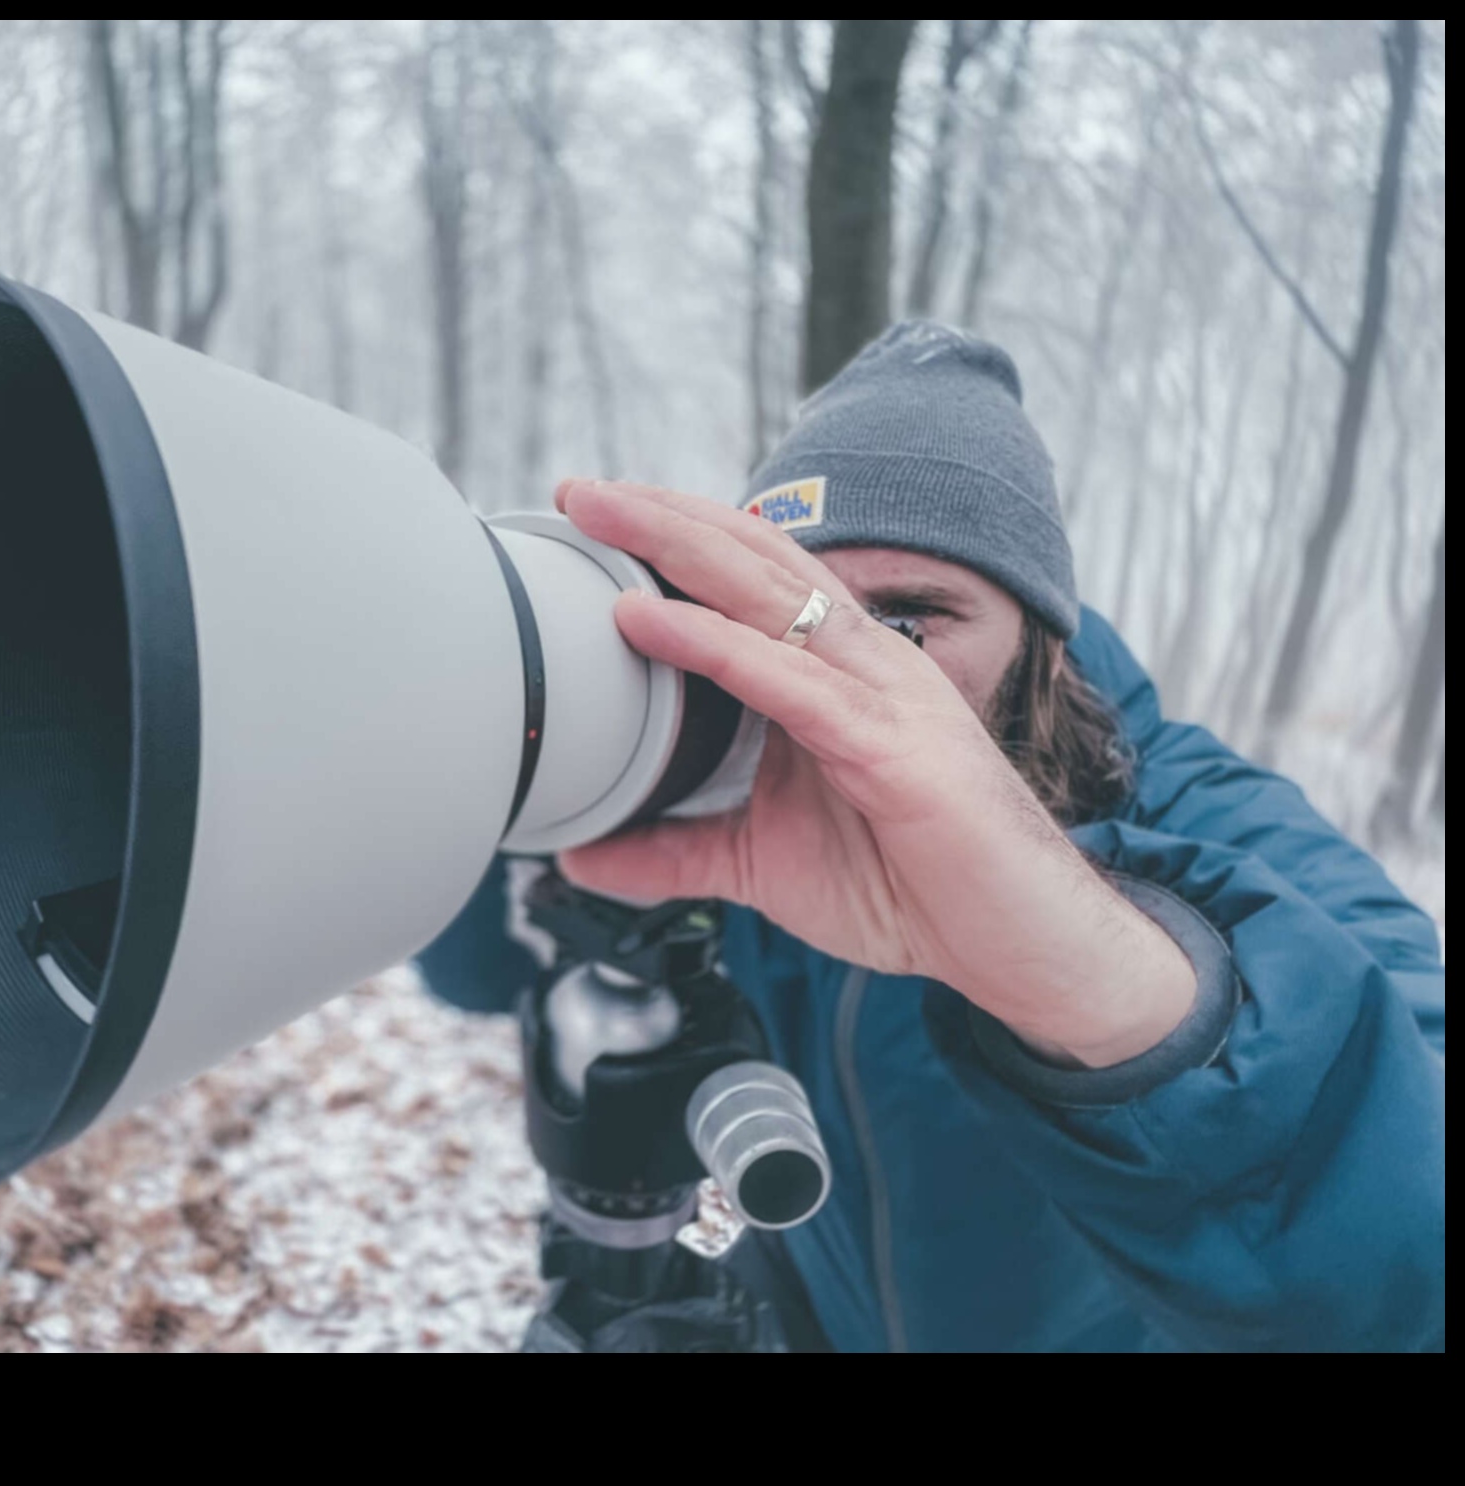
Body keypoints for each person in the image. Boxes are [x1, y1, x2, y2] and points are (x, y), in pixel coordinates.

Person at [416, 322, 1445, 1352]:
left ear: (1044, 642)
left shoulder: (1207, 815)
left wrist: (1118, 996)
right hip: (810, 1308)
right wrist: (518, 772)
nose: (841, 680)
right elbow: (477, 975)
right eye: (791, 620)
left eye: (904, 626)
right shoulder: (739, 799)